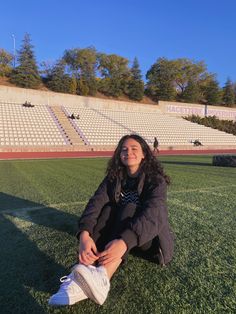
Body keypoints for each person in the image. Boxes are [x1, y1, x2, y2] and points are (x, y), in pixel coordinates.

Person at [49, 134, 174, 306]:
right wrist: (84, 235)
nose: (128, 152)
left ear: (144, 153)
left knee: (130, 207)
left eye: (134, 148)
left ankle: (102, 278)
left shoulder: (155, 180)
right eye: (124, 149)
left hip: (149, 240)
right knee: (107, 209)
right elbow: (95, 203)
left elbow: (154, 215)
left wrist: (124, 242)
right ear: (118, 154)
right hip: (123, 235)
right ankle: (82, 276)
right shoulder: (114, 177)